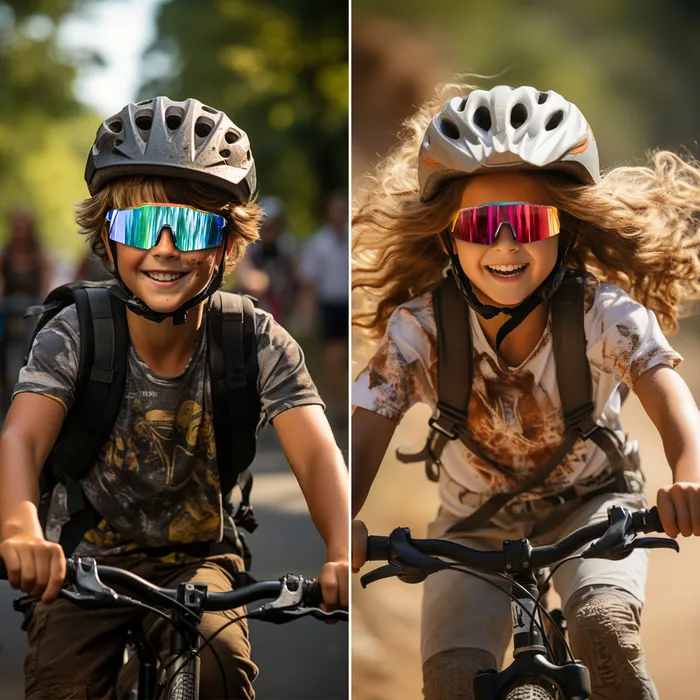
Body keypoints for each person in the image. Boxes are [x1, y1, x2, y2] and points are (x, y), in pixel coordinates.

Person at [351, 84, 700, 699]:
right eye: (481, 224)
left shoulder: (602, 313)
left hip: (595, 507)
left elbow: (671, 398)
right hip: (470, 527)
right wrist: (338, 520)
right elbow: (363, 435)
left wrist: (690, 471)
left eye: (530, 222)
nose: (505, 244)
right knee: (454, 679)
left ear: (565, 230)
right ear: (445, 237)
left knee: (604, 630)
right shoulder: (419, 330)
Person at [0, 96, 348, 700]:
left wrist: (343, 546)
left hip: (202, 560)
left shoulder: (254, 339)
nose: (163, 247)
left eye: (188, 226)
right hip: (84, 563)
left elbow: (318, 454)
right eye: (138, 225)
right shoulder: (77, 332)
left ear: (227, 243)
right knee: (65, 685)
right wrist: (20, 527)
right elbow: (22, 437)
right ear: (107, 240)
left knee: (217, 667)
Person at [299, 192, 349, 418]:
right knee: (333, 357)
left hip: (351, 302)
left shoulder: (354, 237)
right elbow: (310, 280)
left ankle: (346, 402)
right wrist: (309, 309)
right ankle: (336, 403)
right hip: (331, 304)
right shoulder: (320, 243)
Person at [234, 195, 298, 325]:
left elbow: (296, 275)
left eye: (273, 225)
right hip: (256, 306)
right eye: (266, 225)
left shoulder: (287, 246)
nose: (270, 229)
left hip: (282, 307)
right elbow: (249, 279)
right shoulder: (251, 247)